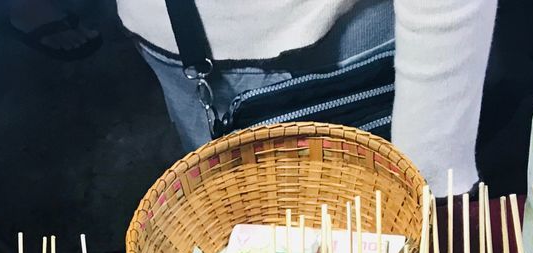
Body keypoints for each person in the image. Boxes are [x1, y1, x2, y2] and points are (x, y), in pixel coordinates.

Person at [117, 0, 498, 196]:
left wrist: (435, 174)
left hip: (346, 43)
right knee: (230, 217)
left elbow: (433, 181)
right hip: (174, 49)